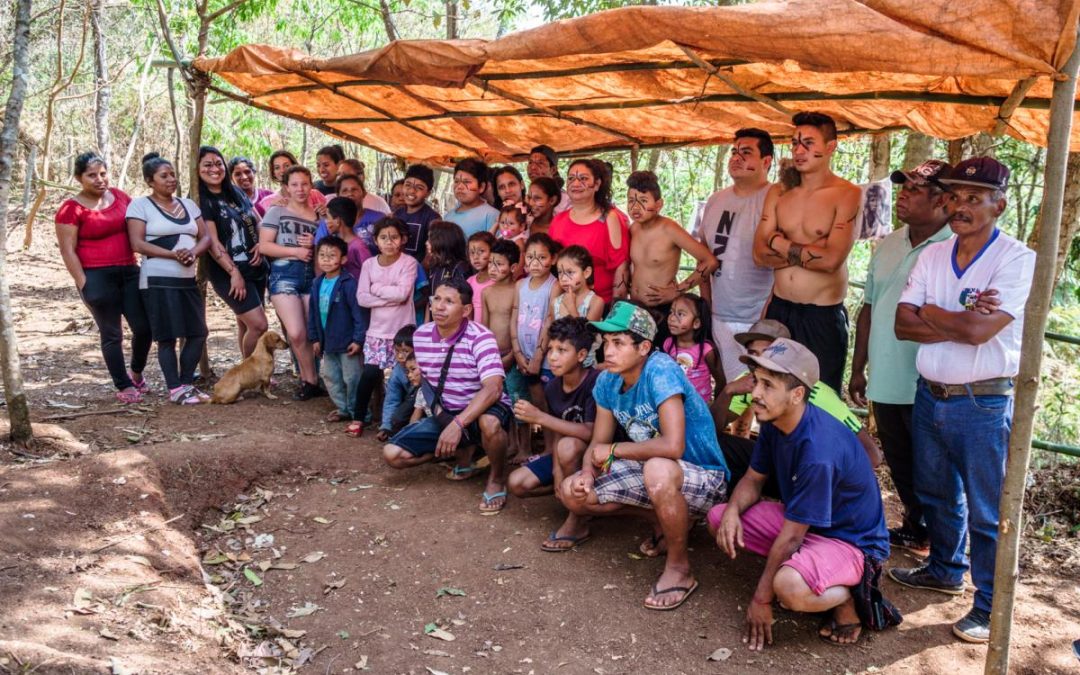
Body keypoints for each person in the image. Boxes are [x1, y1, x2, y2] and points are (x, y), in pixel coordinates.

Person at [890, 157, 1035, 644]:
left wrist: (932, 312)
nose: (960, 207)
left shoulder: (1016, 259)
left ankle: (991, 605)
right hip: (930, 395)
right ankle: (945, 569)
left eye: (974, 198)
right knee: (936, 493)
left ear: (1000, 204)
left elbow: (978, 333)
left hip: (983, 403)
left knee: (988, 511)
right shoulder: (933, 255)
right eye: (953, 196)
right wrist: (952, 316)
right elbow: (901, 324)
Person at [709, 338, 896, 650]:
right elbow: (753, 480)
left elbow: (793, 537)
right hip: (809, 526)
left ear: (797, 394)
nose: (755, 393)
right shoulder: (774, 419)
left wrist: (761, 598)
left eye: (768, 385)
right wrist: (730, 511)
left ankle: (850, 598)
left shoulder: (818, 451)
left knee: (788, 587)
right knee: (719, 518)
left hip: (852, 542)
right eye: (756, 381)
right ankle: (809, 570)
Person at [559, 301, 729, 610]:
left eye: (619, 343)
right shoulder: (608, 380)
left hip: (704, 475)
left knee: (658, 469)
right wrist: (586, 472)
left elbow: (672, 446)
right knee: (572, 493)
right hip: (655, 471)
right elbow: (598, 442)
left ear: (644, 347)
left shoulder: (661, 369)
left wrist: (612, 451)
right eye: (606, 343)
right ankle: (668, 521)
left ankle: (680, 569)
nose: (608, 351)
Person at [849, 159, 953, 556]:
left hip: (932, 379)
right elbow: (869, 308)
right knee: (899, 457)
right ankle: (916, 526)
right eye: (903, 188)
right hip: (886, 374)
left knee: (934, 466)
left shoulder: (953, 246)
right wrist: (858, 368)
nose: (904, 196)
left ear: (943, 200)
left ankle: (945, 549)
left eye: (915, 190)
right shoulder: (890, 243)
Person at [382, 278, 513, 515]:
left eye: (449, 301)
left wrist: (458, 424)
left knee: (489, 424)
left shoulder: (481, 337)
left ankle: (497, 476)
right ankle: (460, 453)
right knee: (393, 455)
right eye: (436, 299)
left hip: (482, 410)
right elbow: (429, 383)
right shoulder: (420, 337)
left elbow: (494, 388)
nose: (439, 307)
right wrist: (444, 420)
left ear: (465, 310)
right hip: (447, 412)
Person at [752, 112, 861, 392]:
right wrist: (810, 251)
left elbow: (831, 260)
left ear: (830, 147)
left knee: (819, 398)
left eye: (809, 143)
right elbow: (759, 254)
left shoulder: (847, 194)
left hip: (821, 315)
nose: (799, 151)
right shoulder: (779, 192)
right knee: (771, 390)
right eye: (795, 143)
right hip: (780, 308)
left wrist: (781, 242)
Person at [717, 319, 883, 490]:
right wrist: (728, 391)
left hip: (810, 474)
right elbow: (709, 430)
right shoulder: (748, 382)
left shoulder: (819, 396)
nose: (758, 362)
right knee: (721, 450)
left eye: (767, 354)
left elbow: (873, 455)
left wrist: (819, 481)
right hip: (778, 461)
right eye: (753, 354)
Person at [55, 152, 151, 403]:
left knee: (144, 327)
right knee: (112, 334)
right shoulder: (70, 208)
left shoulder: (120, 197)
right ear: (79, 178)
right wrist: (83, 283)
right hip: (96, 275)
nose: (99, 179)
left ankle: (136, 374)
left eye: (103, 173)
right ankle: (123, 385)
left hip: (129, 271)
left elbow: (140, 226)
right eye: (92, 175)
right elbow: (67, 250)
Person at [126, 153, 212, 404]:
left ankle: (186, 382)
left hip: (186, 279)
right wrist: (173, 254)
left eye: (172, 174)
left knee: (198, 332)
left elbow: (205, 237)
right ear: (149, 180)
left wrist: (193, 253)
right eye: (164, 176)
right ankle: (174, 388)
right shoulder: (140, 206)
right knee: (166, 337)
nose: (171, 179)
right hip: (157, 280)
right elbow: (137, 242)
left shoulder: (188, 205)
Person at [509, 317, 600, 551]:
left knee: (569, 446)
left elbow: (591, 432)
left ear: (581, 355)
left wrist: (539, 417)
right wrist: (557, 472)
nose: (553, 356)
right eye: (550, 349)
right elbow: (559, 427)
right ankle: (576, 496)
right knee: (517, 483)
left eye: (562, 350)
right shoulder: (552, 388)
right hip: (567, 455)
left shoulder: (594, 383)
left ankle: (577, 520)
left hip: (595, 457)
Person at [695, 128, 777, 383]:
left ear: (766, 161)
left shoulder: (775, 199)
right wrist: (707, 306)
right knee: (726, 387)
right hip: (719, 314)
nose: (736, 158)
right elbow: (704, 255)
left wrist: (766, 317)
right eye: (734, 152)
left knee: (759, 388)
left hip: (757, 316)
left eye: (746, 152)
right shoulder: (715, 200)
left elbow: (783, 268)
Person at [626, 170, 716, 343]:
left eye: (643, 201)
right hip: (636, 309)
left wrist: (679, 289)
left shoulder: (669, 229)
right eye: (631, 201)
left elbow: (710, 261)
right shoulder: (633, 229)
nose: (635, 207)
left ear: (659, 204)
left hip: (662, 310)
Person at [259, 165, 323, 401]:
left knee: (311, 332)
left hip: (312, 275)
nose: (300, 189)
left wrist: (316, 241)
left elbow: (327, 250)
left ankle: (313, 380)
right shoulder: (276, 212)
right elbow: (265, 246)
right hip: (284, 274)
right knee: (296, 333)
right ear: (286, 187)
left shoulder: (319, 216)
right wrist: (296, 251)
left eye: (304, 184)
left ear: (311, 185)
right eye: (294, 184)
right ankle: (309, 379)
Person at [197, 146, 269, 358]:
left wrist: (262, 244)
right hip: (227, 271)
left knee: (245, 324)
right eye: (207, 165)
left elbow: (258, 221)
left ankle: (250, 372)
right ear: (198, 169)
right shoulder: (203, 200)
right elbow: (212, 242)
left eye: (218, 163)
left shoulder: (235, 191)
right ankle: (249, 372)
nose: (215, 169)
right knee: (259, 325)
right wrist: (233, 273)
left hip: (255, 266)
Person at [352, 217, 420, 436]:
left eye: (394, 237)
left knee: (403, 380)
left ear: (402, 240)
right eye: (383, 237)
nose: (389, 242)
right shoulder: (369, 265)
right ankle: (359, 417)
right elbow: (362, 298)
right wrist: (388, 295)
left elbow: (402, 294)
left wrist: (377, 288)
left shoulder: (408, 263)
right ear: (376, 240)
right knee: (369, 376)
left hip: (402, 333)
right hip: (377, 332)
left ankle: (396, 424)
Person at [548, 158, 629, 304]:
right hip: (565, 304)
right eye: (571, 178)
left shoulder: (610, 218)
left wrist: (614, 313)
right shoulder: (558, 220)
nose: (576, 183)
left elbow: (620, 266)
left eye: (583, 178)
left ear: (597, 184)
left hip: (600, 305)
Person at [307, 236, 369, 424]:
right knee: (330, 377)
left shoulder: (348, 284)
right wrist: (315, 338)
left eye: (331, 255)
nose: (325, 259)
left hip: (347, 342)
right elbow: (313, 313)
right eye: (322, 255)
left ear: (343, 260)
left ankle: (359, 414)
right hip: (328, 343)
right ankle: (343, 409)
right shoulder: (317, 283)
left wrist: (358, 340)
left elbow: (359, 315)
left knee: (352, 379)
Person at [510, 234, 559, 455]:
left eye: (541, 257)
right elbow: (514, 317)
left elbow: (550, 320)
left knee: (545, 405)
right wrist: (517, 352)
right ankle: (525, 449)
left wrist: (539, 358)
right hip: (523, 356)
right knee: (523, 402)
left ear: (554, 259)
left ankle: (549, 450)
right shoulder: (520, 285)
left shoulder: (554, 286)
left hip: (544, 359)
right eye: (530, 257)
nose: (534, 263)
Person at [545, 245, 603, 368]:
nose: (564, 278)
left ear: (586, 272)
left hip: (585, 368)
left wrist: (571, 307)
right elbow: (553, 335)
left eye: (570, 272)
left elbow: (585, 338)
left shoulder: (595, 302)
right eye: (560, 273)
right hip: (561, 366)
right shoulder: (555, 302)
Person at [662, 293, 724, 404]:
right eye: (671, 312)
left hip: (700, 405)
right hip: (675, 402)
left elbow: (720, 380)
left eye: (680, 314)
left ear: (696, 323)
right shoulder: (668, 344)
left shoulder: (706, 350)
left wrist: (715, 407)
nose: (671, 318)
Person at [313, 174, 382, 248]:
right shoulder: (328, 222)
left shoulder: (379, 219)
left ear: (364, 193)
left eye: (354, 190)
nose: (350, 194)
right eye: (344, 191)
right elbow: (318, 251)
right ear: (338, 196)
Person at [376, 325, 418, 442]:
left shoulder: (426, 367)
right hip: (410, 403)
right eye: (397, 350)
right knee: (397, 418)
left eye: (405, 351)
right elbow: (392, 399)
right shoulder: (397, 371)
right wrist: (386, 427)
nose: (400, 356)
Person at [256, 150, 327, 217]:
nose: (282, 170)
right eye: (277, 167)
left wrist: (326, 212)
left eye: (286, 166)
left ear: (294, 166)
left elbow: (333, 219)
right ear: (273, 172)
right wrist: (272, 211)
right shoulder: (267, 202)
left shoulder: (314, 195)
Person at [393, 164, 440, 264]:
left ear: (428, 193)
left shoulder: (433, 219)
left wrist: (419, 274)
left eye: (419, 187)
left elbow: (431, 255)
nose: (411, 191)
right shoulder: (397, 214)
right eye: (408, 185)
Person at [425, 220, 471, 317]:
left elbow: (466, 300)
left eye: (430, 240)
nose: (426, 243)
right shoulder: (434, 266)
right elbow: (430, 299)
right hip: (436, 320)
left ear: (442, 241)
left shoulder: (460, 268)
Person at [444, 158, 499, 237]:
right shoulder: (448, 216)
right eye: (456, 181)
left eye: (467, 182)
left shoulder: (492, 216)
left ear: (481, 187)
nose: (459, 187)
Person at [324, 196, 371, 280]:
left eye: (327, 217)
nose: (325, 221)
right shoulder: (334, 243)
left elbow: (370, 272)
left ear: (337, 221)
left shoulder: (358, 247)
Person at [526, 144, 570, 213]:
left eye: (540, 163)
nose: (533, 167)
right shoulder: (526, 198)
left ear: (553, 170)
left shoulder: (565, 201)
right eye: (530, 162)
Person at [466, 231, 495, 324]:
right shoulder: (469, 282)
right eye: (472, 253)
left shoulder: (497, 282)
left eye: (481, 251)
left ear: (493, 252)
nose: (476, 257)